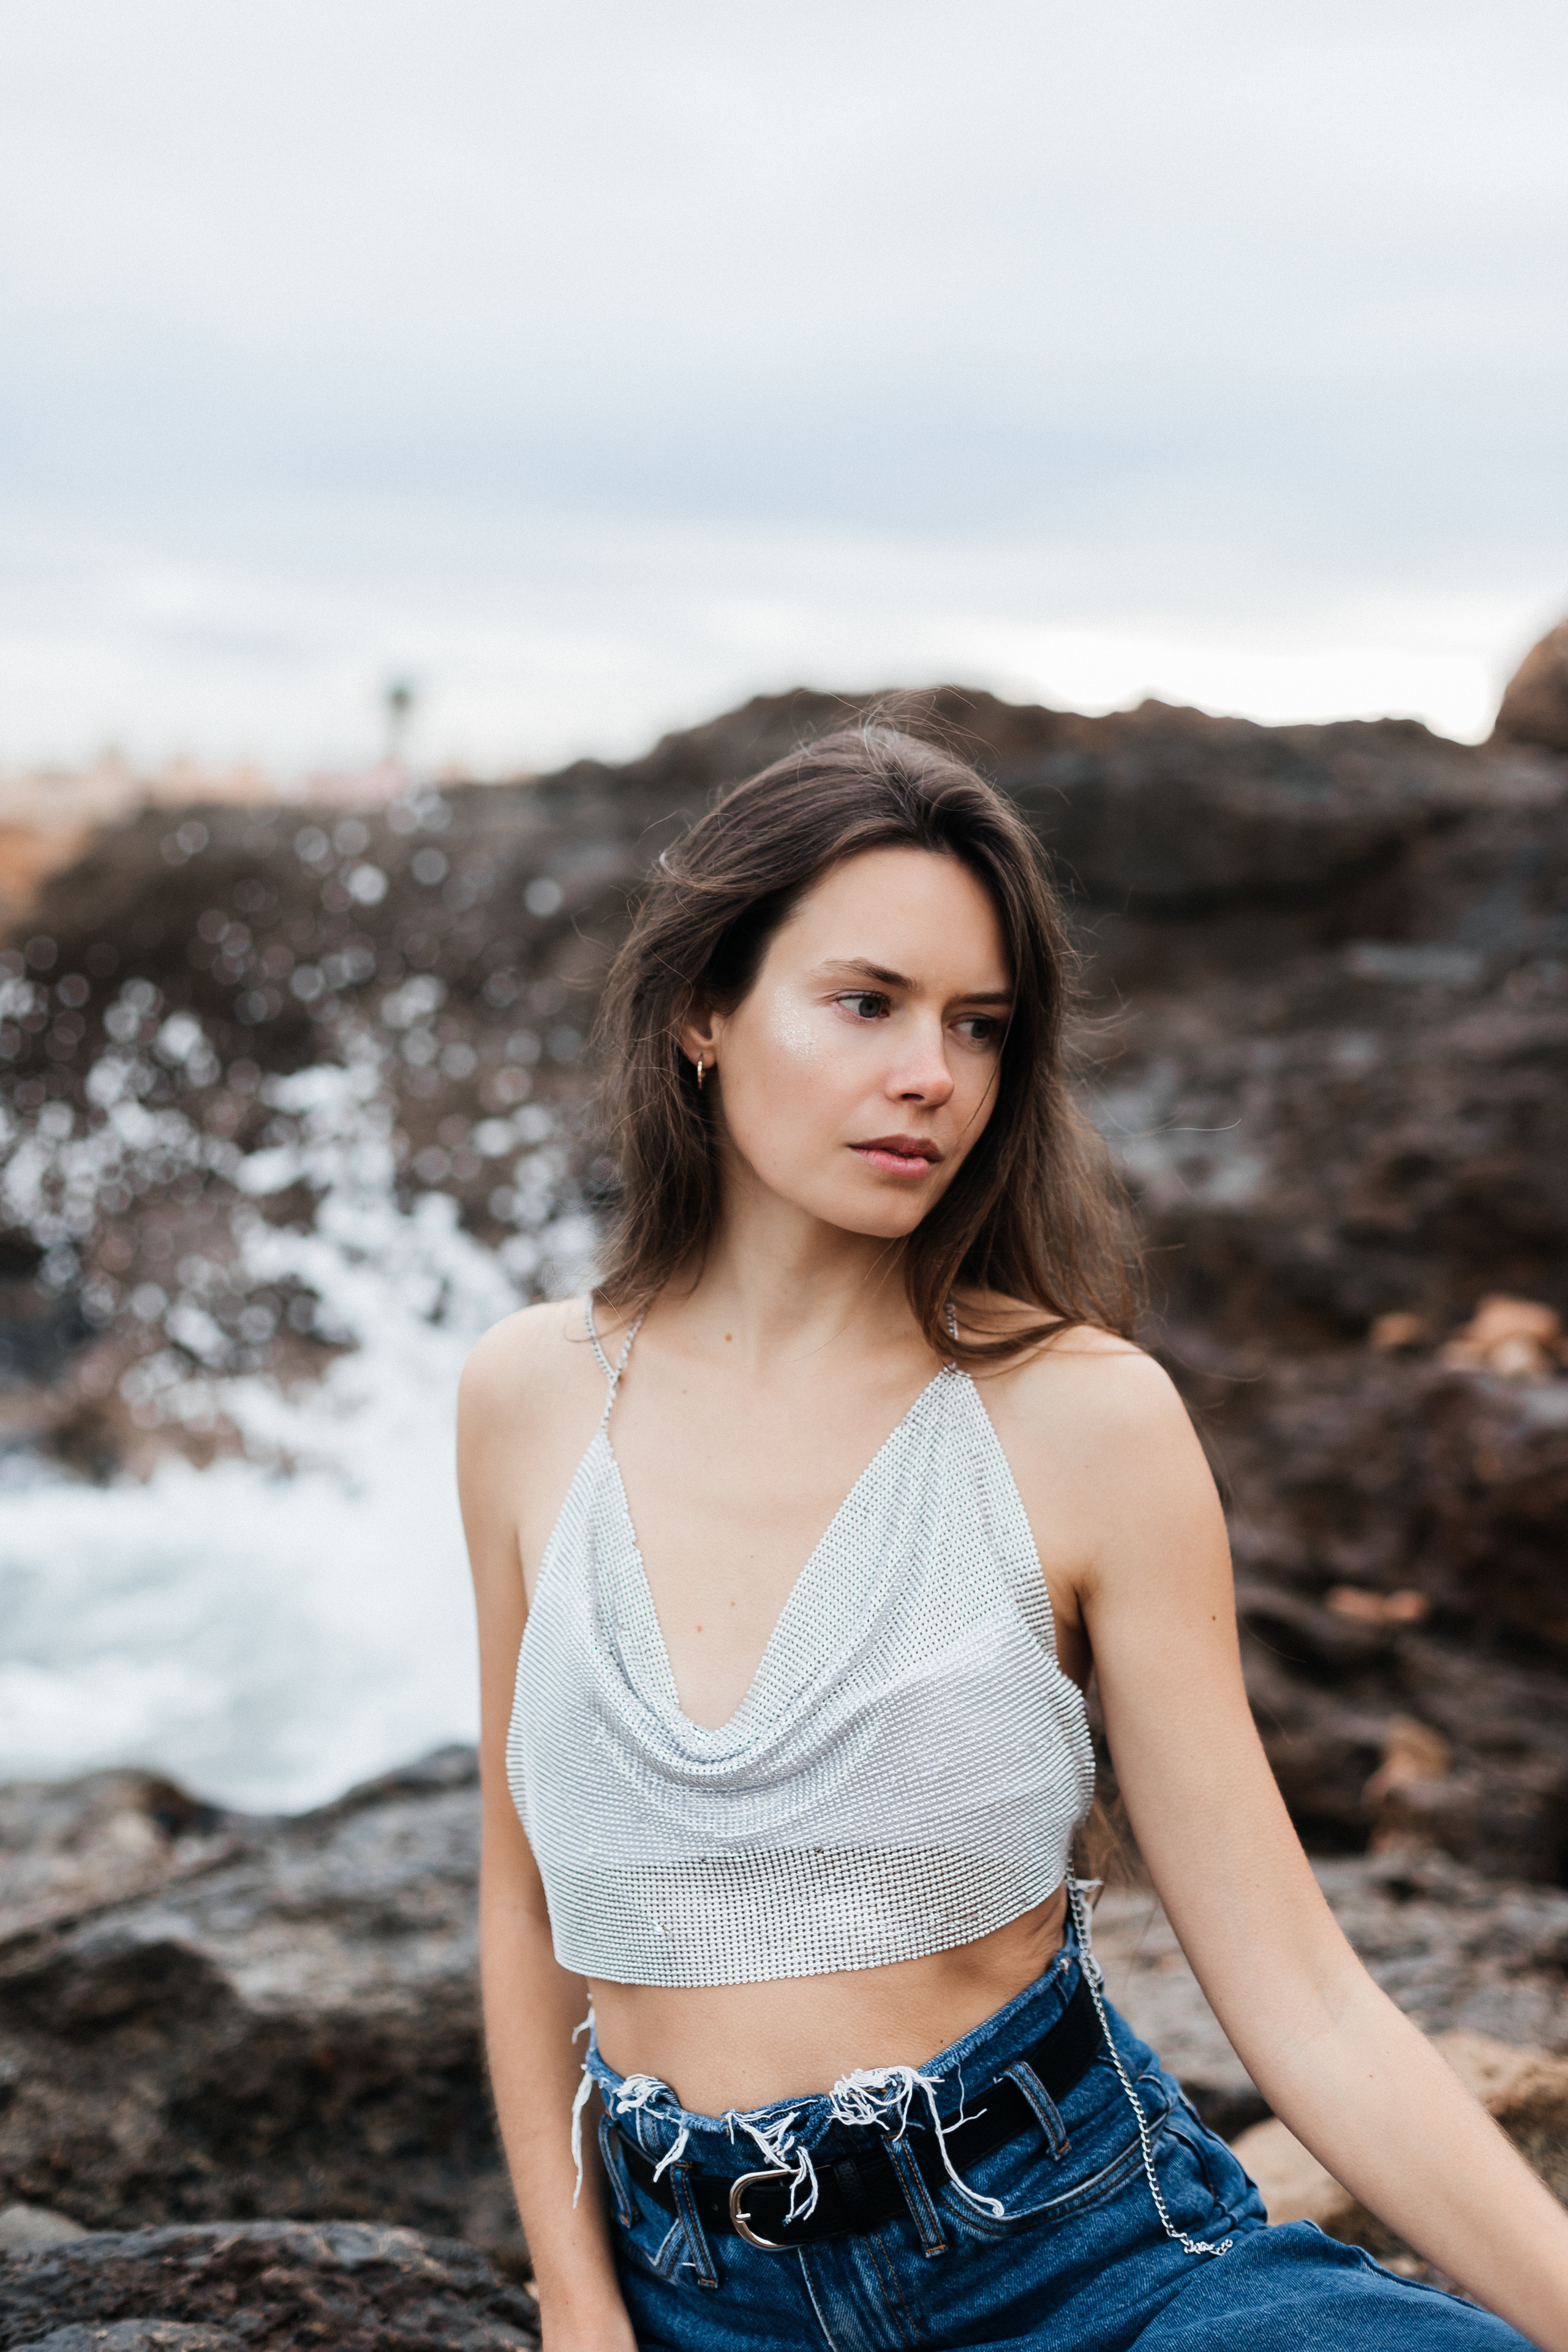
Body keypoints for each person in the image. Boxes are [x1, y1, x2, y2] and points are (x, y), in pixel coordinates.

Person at [458, 725, 1568, 2351]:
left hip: (1082, 2266)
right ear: (704, 1010)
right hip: (698, 2294)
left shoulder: (1085, 1420)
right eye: (867, 1003)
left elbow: (1303, 1998)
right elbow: (518, 1903)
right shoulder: (526, 1398)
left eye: (979, 1027)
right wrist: (577, 2305)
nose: (932, 1075)